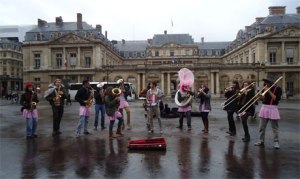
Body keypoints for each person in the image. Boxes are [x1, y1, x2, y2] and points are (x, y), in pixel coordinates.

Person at [254, 75, 282, 149]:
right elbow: (263, 100)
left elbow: (276, 99)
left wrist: (268, 90)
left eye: (267, 82)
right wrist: (260, 97)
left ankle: (276, 142)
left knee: (274, 127)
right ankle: (261, 140)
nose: (266, 84)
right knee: (261, 127)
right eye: (265, 82)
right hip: (264, 108)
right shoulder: (264, 88)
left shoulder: (278, 89)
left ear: (271, 83)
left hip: (273, 108)